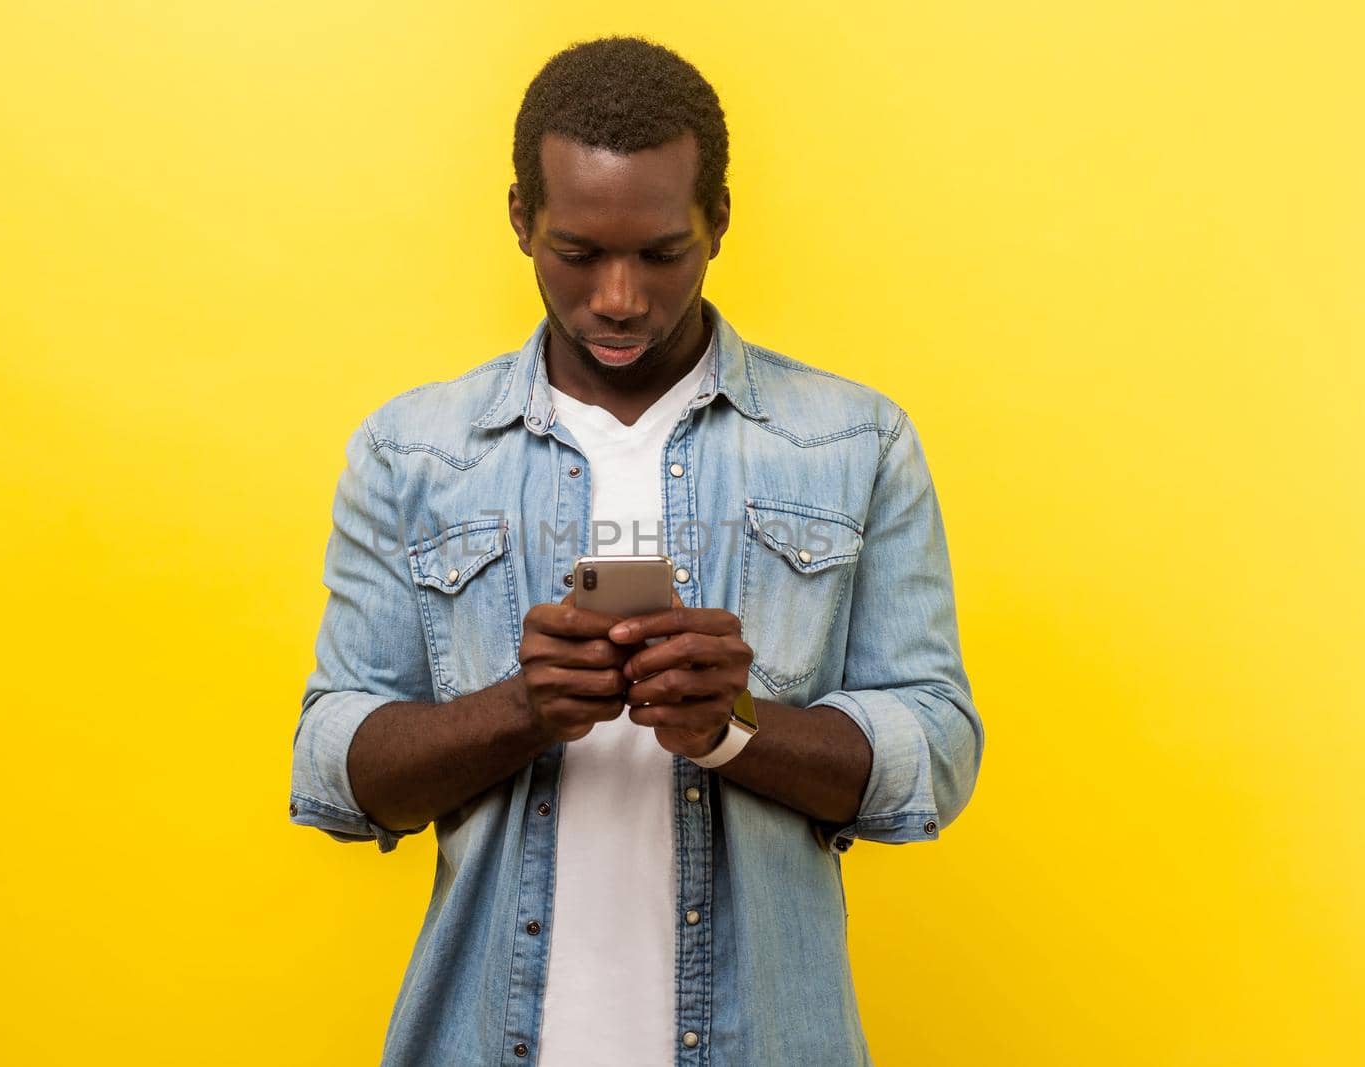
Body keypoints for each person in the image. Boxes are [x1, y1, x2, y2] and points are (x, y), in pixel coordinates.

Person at [289, 35, 983, 1066]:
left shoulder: (853, 443)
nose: (618, 297)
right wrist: (519, 709)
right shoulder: (413, 452)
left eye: (662, 252)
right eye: (577, 252)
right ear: (521, 218)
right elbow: (333, 769)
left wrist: (735, 727)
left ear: (718, 221)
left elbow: (938, 750)